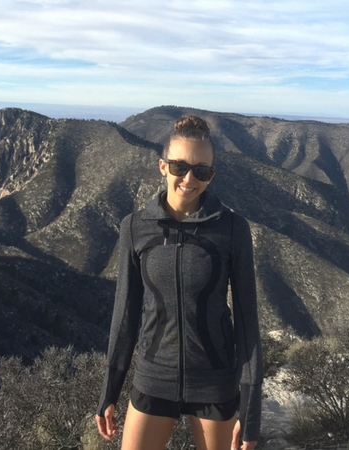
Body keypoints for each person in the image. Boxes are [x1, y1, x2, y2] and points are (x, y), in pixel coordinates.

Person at [95, 115, 263, 450]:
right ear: (162, 166)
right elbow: (125, 315)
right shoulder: (134, 227)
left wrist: (251, 409)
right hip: (153, 379)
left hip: (215, 383)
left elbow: (247, 321)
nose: (189, 178)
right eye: (179, 166)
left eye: (201, 170)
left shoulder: (232, 229)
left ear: (211, 175)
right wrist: (109, 393)